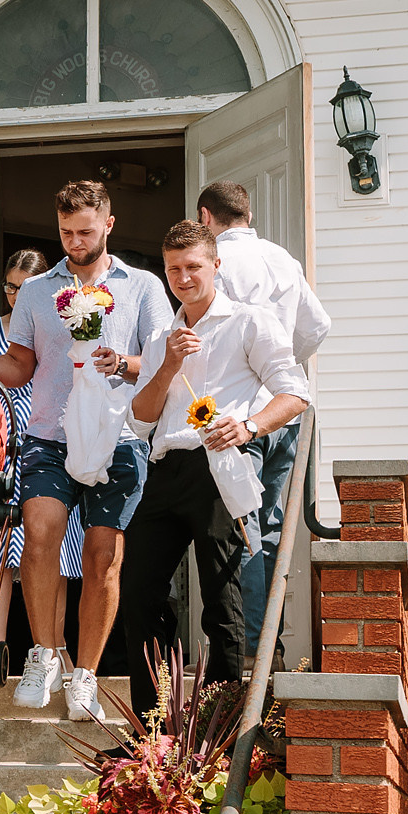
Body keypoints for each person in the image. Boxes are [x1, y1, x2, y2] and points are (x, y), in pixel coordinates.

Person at [0, 180, 172, 720]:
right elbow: (22, 364)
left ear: (108, 226)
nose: (74, 241)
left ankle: (86, 675)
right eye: (66, 232)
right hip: (48, 433)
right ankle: (43, 654)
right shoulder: (41, 290)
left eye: (85, 231)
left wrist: (125, 363)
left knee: (101, 558)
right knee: (38, 535)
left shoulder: (141, 286)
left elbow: (161, 359)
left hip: (117, 436)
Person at [120, 220, 310, 714]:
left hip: (221, 464)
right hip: (166, 468)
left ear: (216, 265)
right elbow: (142, 416)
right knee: (139, 591)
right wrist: (166, 365)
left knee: (222, 598)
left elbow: (296, 394)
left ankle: (218, 726)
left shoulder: (250, 321)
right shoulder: (165, 334)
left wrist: (248, 427)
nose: (183, 278)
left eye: (192, 267)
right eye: (173, 269)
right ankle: (153, 723)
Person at [194, 181, 333, 654]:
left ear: (204, 217)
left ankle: (248, 646)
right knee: (268, 530)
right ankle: (263, 643)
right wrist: (279, 366)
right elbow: (318, 326)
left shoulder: (214, 265)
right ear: (246, 216)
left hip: (240, 420)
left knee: (238, 529)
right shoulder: (282, 259)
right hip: (285, 415)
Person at [0, 249, 84, 659]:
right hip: (7, 445)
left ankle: (57, 647)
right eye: (9, 287)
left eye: (24, 288)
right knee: (2, 552)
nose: (15, 296)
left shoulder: (58, 326)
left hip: (48, 443)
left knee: (57, 551)